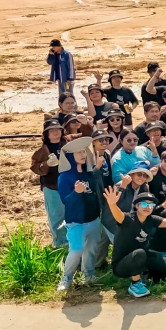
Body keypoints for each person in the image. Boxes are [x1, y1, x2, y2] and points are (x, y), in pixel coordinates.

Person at [56, 137, 102, 291]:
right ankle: (66, 278)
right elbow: (66, 201)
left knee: (91, 250)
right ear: (70, 156)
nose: (83, 155)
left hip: (93, 219)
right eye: (79, 153)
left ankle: (88, 275)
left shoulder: (88, 173)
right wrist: (76, 192)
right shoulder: (65, 177)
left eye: (84, 151)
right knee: (76, 250)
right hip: (76, 221)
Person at [31, 119, 68, 247]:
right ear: (46, 134)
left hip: (69, 185)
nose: (55, 132)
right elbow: (34, 167)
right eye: (51, 130)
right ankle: (59, 243)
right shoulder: (42, 151)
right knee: (56, 216)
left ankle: (71, 242)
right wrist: (45, 164)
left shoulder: (67, 145)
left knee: (70, 214)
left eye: (57, 129)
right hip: (51, 186)